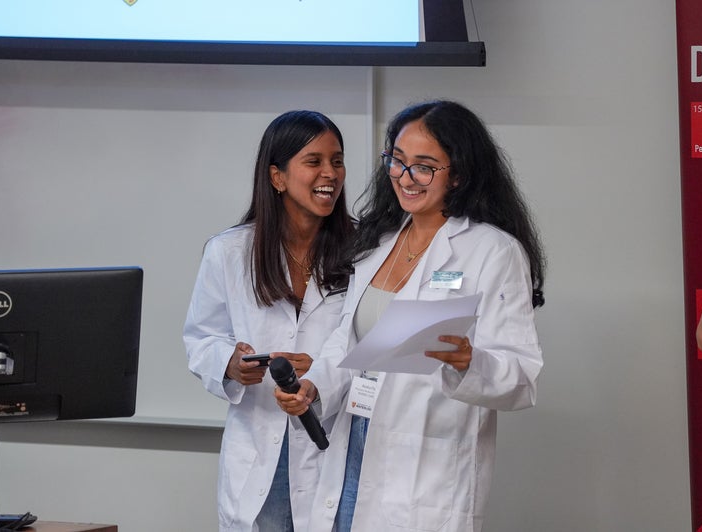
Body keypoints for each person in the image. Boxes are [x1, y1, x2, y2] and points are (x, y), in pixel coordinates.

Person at [275, 100, 546, 532]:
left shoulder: (492, 251)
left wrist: (469, 362)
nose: (404, 177)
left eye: (424, 167)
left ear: (458, 174)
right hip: (353, 443)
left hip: (424, 468)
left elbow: (522, 377)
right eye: (397, 161)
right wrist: (314, 387)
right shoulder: (378, 241)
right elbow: (349, 342)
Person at [183, 110, 355, 532]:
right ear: (277, 177)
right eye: (314, 161)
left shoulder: (364, 249)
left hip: (334, 442)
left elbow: (366, 339)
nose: (330, 173)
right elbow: (201, 338)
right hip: (261, 447)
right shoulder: (230, 251)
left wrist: (321, 372)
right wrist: (229, 363)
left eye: (337, 161)